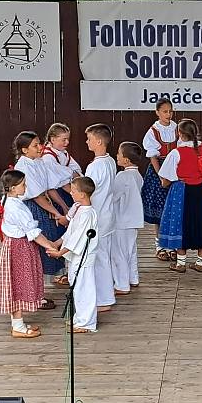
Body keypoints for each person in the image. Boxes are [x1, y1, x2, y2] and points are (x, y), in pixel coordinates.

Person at [0, 169, 60, 338]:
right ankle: (18, 326)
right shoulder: (15, 208)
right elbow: (33, 232)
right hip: (19, 247)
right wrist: (50, 246)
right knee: (18, 284)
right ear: (13, 188)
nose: (25, 187)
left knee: (17, 283)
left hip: (16, 246)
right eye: (23, 185)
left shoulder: (9, 200)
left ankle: (18, 322)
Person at [159, 118, 202, 273]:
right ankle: (200, 262)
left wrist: (166, 183)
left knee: (180, 222)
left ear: (179, 134)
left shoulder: (176, 153)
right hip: (201, 190)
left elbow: (166, 177)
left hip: (181, 191)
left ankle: (181, 263)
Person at [12, 130, 66, 309]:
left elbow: (49, 188)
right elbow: (36, 196)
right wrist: (57, 213)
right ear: (24, 150)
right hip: (31, 208)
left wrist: (62, 208)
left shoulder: (38, 161)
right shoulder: (24, 165)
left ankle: (40, 292)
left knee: (46, 243)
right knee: (38, 247)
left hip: (43, 205)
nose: (40, 147)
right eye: (35, 145)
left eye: (39, 144)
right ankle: (36, 295)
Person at [48, 176, 99, 333]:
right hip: (76, 257)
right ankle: (79, 318)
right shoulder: (79, 209)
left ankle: (86, 322)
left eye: (74, 190)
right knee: (77, 287)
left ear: (83, 194)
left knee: (85, 288)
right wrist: (56, 243)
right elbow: (71, 232)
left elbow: (78, 238)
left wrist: (60, 253)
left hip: (84, 256)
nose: (71, 192)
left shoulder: (87, 214)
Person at [41, 122, 82, 287]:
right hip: (57, 198)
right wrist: (64, 207)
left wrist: (71, 176)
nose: (66, 143)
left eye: (67, 139)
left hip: (68, 193)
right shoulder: (48, 157)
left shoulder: (62, 154)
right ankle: (59, 271)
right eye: (63, 139)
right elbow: (53, 184)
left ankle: (67, 268)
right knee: (59, 230)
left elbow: (75, 172)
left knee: (68, 230)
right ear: (52, 139)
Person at [84, 123, 117, 312]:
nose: (87, 142)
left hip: (98, 216)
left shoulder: (95, 166)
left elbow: (88, 193)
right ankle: (106, 295)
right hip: (108, 215)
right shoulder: (110, 161)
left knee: (99, 258)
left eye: (89, 139)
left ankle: (104, 299)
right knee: (104, 256)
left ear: (98, 141)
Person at [141, 98, 178, 261]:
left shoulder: (177, 128)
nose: (168, 114)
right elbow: (153, 157)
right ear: (157, 112)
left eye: (170, 111)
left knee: (173, 209)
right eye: (165, 111)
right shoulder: (153, 131)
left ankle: (172, 245)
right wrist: (162, 176)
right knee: (159, 211)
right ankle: (160, 245)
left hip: (176, 170)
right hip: (159, 171)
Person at [112, 142, 144, 294]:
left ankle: (122, 284)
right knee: (130, 250)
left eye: (118, 153)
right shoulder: (137, 175)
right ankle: (133, 278)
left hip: (121, 219)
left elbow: (113, 196)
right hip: (133, 219)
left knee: (119, 252)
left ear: (126, 160)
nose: (116, 156)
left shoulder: (123, 176)